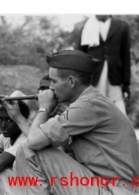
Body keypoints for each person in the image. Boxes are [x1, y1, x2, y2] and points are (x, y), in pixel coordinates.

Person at [10, 50, 139, 195]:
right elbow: (41, 142)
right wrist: (18, 117)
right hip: (109, 186)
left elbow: (33, 143)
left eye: (53, 81)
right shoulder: (90, 102)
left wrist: (44, 108)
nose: (50, 87)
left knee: (26, 150)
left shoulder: (87, 106)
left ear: (71, 81)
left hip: (115, 190)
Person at [78, 15, 131, 114]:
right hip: (94, 75)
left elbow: (126, 56)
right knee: (94, 106)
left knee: (116, 108)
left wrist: (126, 83)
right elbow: (80, 55)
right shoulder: (87, 27)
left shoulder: (122, 26)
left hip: (114, 75)